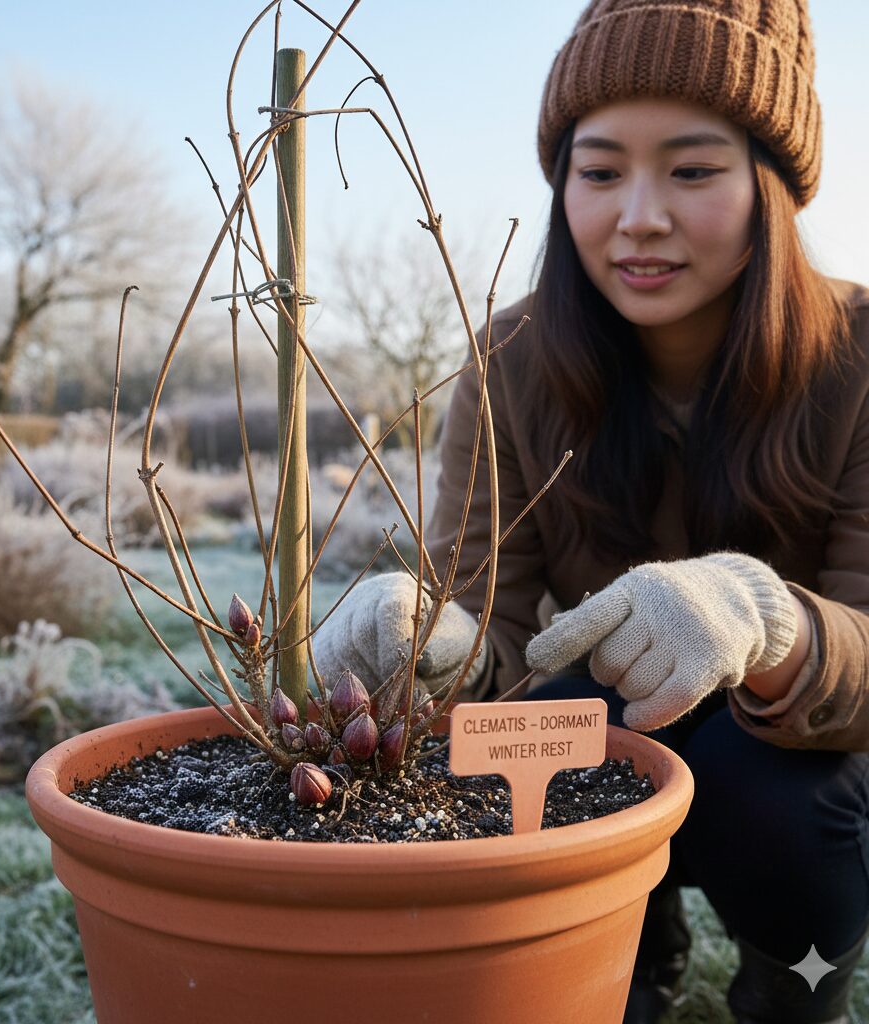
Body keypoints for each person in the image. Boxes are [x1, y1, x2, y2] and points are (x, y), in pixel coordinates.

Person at [312, 1, 869, 1021]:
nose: (637, 216)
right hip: (597, 726)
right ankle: (621, 965)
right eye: (600, 170)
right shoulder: (511, 358)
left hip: (799, 758)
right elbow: (495, 623)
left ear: (771, 186)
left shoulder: (862, 356)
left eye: (692, 170)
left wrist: (769, 619)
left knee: (774, 783)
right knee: (544, 725)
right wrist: (427, 641)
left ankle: (792, 988)